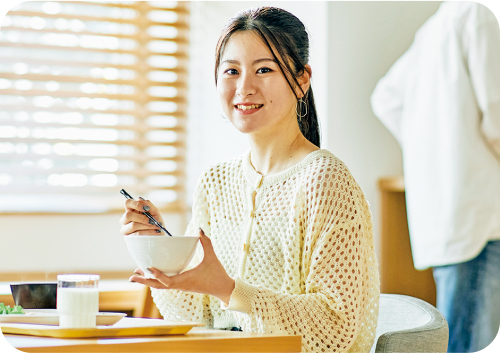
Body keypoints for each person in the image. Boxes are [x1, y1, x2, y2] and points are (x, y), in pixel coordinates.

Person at [120, 7, 380, 353]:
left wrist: (230, 290)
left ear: (302, 80)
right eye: (231, 71)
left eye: (264, 70)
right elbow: (192, 316)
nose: (244, 87)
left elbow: (336, 328)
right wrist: (158, 249)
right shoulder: (216, 183)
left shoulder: (326, 182)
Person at [370, 2, 500, 352]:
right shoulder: (478, 15)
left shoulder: (433, 29)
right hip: (479, 220)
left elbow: (385, 98)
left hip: (446, 217)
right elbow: (497, 117)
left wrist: (434, 149)